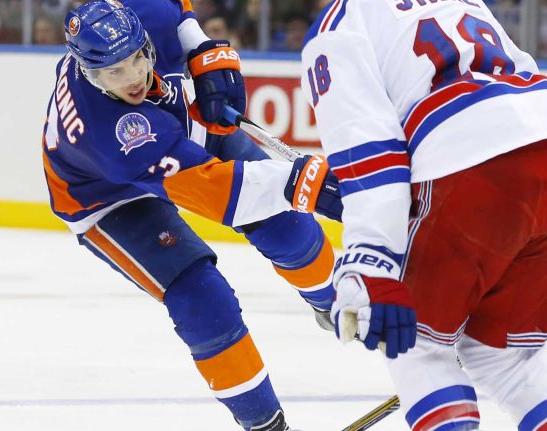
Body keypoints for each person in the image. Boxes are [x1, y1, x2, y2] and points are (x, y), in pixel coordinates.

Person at [295, 1, 547, 430]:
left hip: (470, 172)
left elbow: (373, 156)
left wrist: (371, 259)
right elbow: (542, 89)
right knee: (509, 360)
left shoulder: (336, 29)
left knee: (418, 348)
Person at [43, 1, 341, 430]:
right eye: (114, 73)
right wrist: (304, 182)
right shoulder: (110, 133)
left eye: (137, 58)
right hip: (107, 197)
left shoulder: (140, 13)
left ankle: (338, 303)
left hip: (177, 129)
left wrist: (199, 46)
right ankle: (265, 425)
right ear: (89, 74)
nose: (133, 78)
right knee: (202, 299)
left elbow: (175, 8)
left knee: (289, 228)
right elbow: (222, 194)